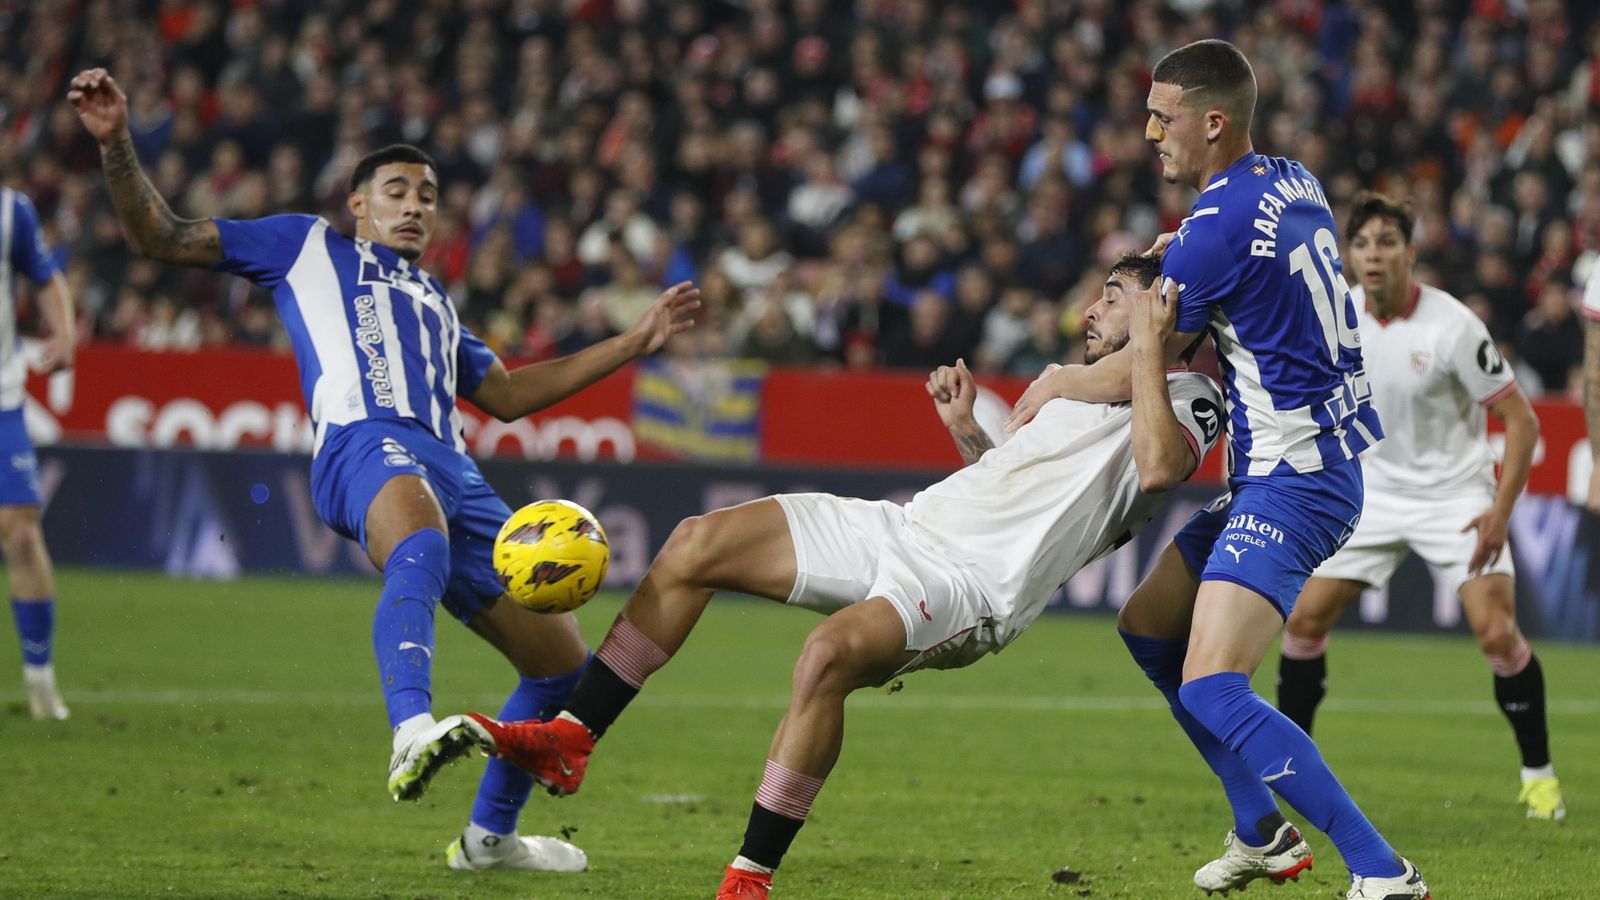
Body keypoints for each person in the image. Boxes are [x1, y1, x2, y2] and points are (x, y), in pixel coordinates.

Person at [67, 69, 698, 871]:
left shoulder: (436, 300)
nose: (415, 205)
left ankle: (488, 842)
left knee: (563, 669)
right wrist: (117, 140)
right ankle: (410, 731)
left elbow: (506, 394)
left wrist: (632, 344)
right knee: (420, 542)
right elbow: (161, 235)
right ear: (358, 204)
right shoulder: (306, 246)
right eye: (396, 190)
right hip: (363, 441)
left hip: (454, 469)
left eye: (428, 195)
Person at [463, 253, 1224, 899]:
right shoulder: (1074, 383)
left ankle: (748, 876)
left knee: (825, 656)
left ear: (1163, 315)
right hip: (906, 526)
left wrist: (1147, 349)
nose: (1091, 310)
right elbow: (1018, 491)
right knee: (695, 544)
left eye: (1114, 298)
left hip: (972, 588)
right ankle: (572, 736)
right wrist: (968, 434)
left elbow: (1158, 468)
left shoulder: (1190, 399)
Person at [1002, 41, 1427, 899]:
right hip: (1297, 465)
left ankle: (1384, 870)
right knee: (1149, 627)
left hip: (1297, 481)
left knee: (1213, 684)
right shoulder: (1291, 178)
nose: (1151, 132)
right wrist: (1188, 247)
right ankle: (1259, 828)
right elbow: (1241, 258)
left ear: (1214, 121)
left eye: (1163, 117)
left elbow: (1137, 365)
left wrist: (1055, 381)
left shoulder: (1214, 230)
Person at [1276, 192, 1561, 820]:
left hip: (1455, 496)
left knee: (1496, 632)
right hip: (1370, 495)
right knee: (1302, 623)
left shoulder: (1453, 325)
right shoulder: (1337, 315)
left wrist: (1499, 511)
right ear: (1346, 255)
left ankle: (1538, 776)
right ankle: (1292, 768)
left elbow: (1521, 421)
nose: (1373, 256)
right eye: (1362, 244)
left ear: (1411, 251)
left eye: (1386, 242)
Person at [1, 185, 76, 720]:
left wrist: (66, 331)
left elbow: (45, 278)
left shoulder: (12, 211)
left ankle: (40, 680)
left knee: (23, 531)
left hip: (1, 400)